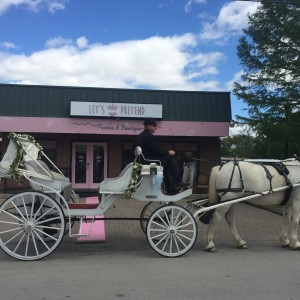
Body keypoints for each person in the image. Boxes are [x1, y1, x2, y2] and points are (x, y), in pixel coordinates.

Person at [135, 118, 187, 195]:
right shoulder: (149, 136)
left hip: (145, 160)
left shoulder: (141, 136)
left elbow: (153, 150)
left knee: (166, 165)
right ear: (148, 126)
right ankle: (177, 183)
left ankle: (170, 189)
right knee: (170, 158)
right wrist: (169, 152)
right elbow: (157, 151)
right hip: (148, 161)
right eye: (154, 125)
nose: (156, 127)